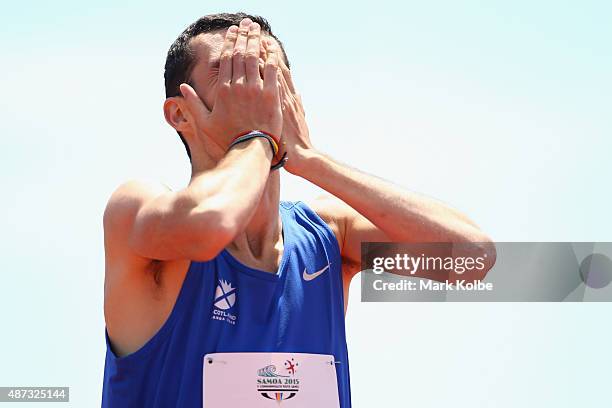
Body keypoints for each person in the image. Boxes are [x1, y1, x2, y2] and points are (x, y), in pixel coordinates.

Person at [101, 12, 495, 407]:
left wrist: (309, 159)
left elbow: (473, 258)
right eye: (232, 70)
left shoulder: (329, 236)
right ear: (180, 113)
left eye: (267, 70)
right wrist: (256, 138)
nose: (256, 85)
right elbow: (210, 225)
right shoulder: (140, 211)